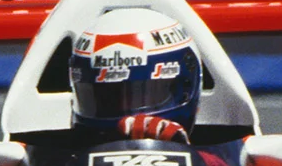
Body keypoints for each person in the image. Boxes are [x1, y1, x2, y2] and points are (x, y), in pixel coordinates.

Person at [68, 8, 203, 144]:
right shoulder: (64, 161)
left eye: (142, 95)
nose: (125, 123)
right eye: (106, 99)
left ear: (185, 89)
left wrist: (189, 155)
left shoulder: (213, 161)